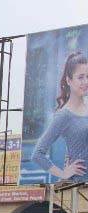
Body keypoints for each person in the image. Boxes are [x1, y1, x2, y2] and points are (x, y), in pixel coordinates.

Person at [32, 51, 88, 181]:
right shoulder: (64, 115)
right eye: (80, 77)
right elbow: (37, 154)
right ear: (69, 80)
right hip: (79, 187)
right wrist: (63, 174)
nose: (86, 81)